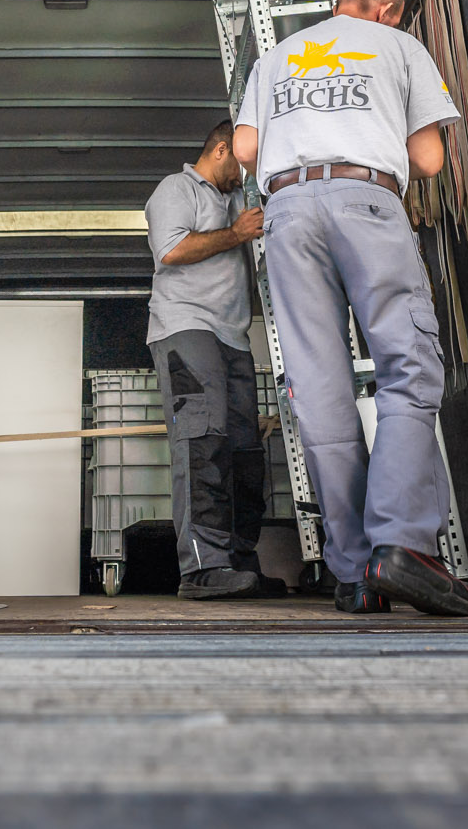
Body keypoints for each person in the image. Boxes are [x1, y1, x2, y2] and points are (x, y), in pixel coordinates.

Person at [232, 0, 468, 617]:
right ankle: (401, 545)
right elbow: (428, 160)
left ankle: (355, 573)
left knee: (318, 389)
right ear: (389, 11)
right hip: (365, 198)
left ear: (343, 3)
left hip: (285, 212)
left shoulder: (277, 56)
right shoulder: (400, 47)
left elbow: (246, 148)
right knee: (408, 366)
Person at [142, 119, 274, 600]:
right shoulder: (177, 189)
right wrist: (237, 233)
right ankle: (202, 568)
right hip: (185, 328)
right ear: (221, 151)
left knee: (244, 451)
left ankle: (239, 562)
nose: (245, 177)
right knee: (203, 442)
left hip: (234, 338)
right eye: (240, 165)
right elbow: (172, 250)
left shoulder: (234, 197)